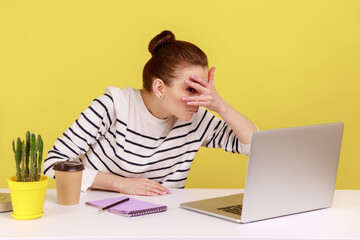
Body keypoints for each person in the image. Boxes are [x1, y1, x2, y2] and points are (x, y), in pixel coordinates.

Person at [43, 30, 258, 196]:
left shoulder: (196, 118)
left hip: (161, 221)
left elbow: (253, 145)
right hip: (97, 214)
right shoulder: (114, 106)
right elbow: (53, 163)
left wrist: (220, 105)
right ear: (160, 88)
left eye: (204, 89)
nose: (200, 98)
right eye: (191, 89)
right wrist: (120, 184)